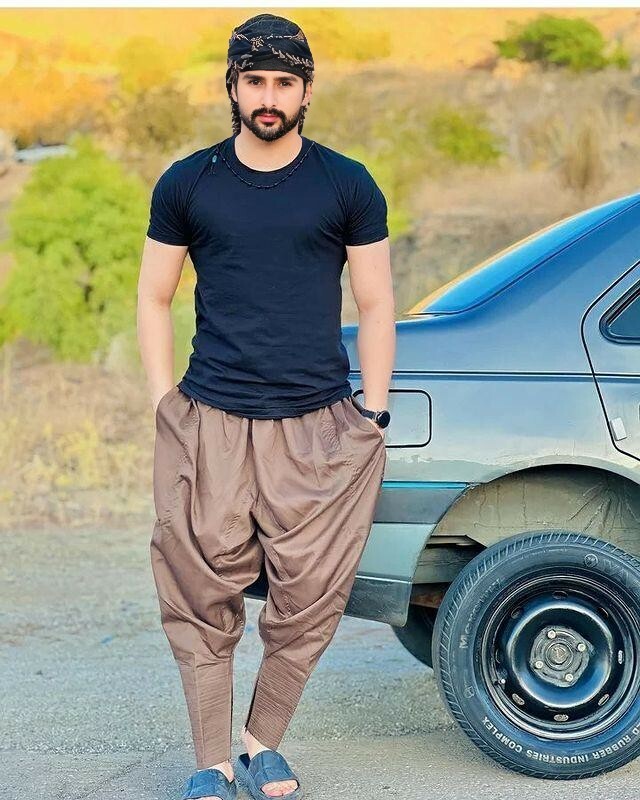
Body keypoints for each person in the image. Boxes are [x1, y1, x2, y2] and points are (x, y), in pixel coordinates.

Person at [137, 12, 395, 800]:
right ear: (233, 87)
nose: (270, 96)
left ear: (307, 90)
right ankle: (211, 762)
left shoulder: (346, 183)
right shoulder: (189, 182)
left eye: (285, 82)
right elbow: (153, 296)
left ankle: (262, 744)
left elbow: (376, 302)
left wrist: (374, 413)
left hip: (318, 423)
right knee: (197, 592)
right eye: (256, 80)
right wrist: (164, 404)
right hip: (210, 417)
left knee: (311, 595)